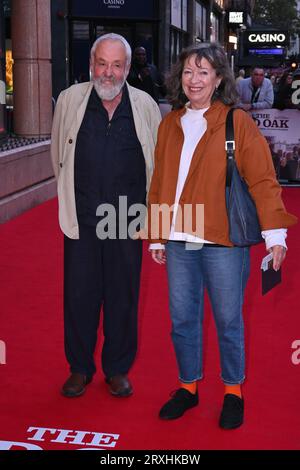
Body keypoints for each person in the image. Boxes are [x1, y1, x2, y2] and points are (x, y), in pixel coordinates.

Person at [147, 44, 297, 429]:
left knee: (229, 320)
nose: (194, 80)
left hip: (223, 240)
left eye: (203, 73)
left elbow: (263, 179)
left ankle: (233, 391)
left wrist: (275, 234)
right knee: (182, 320)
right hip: (180, 238)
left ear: (218, 80)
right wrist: (159, 236)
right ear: (179, 79)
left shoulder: (236, 121)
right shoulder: (169, 123)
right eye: (187, 73)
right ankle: (188, 387)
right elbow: (161, 181)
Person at [51, 33, 161, 399]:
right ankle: (79, 368)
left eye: (117, 65)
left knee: (123, 297)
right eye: (102, 63)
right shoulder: (70, 100)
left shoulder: (145, 105)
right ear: (91, 65)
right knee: (79, 295)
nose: (108, 73)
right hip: (81, 218)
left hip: (126, 220)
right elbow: (57, 156)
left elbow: (155, 165)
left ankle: (117, 369)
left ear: (128, 68)